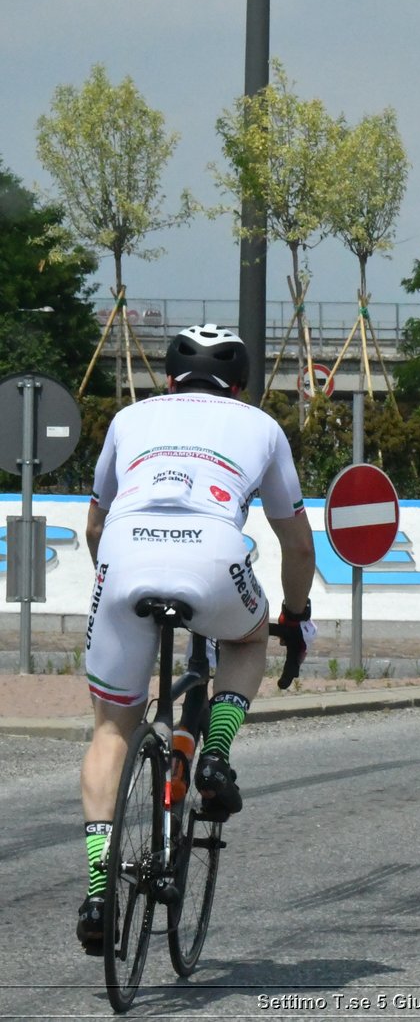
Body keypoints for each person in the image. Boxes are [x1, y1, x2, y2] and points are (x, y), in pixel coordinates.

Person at [76, 324, 316, 954]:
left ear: (169, 379)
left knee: (110, 730)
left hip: (125, 556)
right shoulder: (261, 427)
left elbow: (95, 524)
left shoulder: (131, 416)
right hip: (213, 557)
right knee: (248, 639)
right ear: (239, 385)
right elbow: (295, 541)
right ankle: (214, 755)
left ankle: (99, 888)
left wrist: (116, 583)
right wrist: (294, 614)